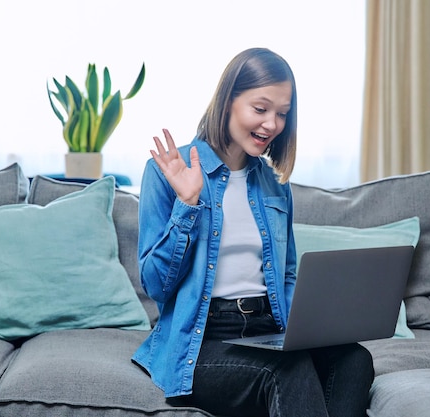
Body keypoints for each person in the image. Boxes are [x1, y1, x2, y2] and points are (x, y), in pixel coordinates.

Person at [133, 47, 375, 417]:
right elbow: (156, 286)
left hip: (268, 328)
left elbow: (288, 273)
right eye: (260, 109)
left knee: (354, 360)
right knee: (286, 371)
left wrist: (311, 331)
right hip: (203, 339)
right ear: (228, 101)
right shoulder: (170, 170)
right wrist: (188, 205)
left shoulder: (275, 185)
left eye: (282, 113)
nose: (272, 124)